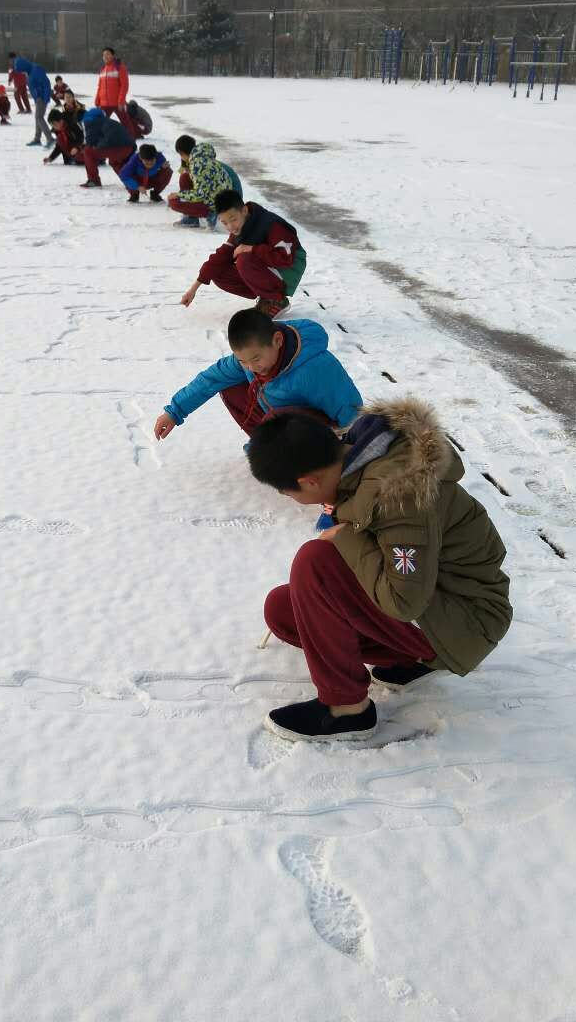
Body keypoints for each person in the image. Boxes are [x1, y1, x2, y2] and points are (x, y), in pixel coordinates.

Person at [245, 404, 512, 742]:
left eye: (287, 493)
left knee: (315, 562)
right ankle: (412, 659)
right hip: (438, 599)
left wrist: (346, 537)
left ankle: (346, 709)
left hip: (468, 621)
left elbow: (404, 602)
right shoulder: (360, 466)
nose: (289, 498)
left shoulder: (400, 496)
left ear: (309, 481)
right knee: (283, 609)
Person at [154, 309, 362, 443]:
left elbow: (351, 411)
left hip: (321, 435)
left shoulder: (315, 367)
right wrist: (174, 411)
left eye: (256, 359)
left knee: (276, 418)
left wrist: (351, 455)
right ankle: (268, 450)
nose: (251, 367)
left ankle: (292, 460)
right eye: (243, 361)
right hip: (281, 424)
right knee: (229, 385)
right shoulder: (251, 360)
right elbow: (211, 378)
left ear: (278, 340)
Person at [179, 190, 306, 317]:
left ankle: (277, 301)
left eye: (233, 219)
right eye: (224, 223)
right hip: (272, 269)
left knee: (244, 260)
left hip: (290, 269)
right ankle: (266, 297)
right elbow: (220, 258)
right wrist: (193, 289)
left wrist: (252, 249)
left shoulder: (272, 224)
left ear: (244, 211)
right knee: (218, 271)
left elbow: (285, 258)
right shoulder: (241, 228)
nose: (230, 227)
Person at [168, 137, 242, 229]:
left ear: (181, 153)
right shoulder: (205, 157)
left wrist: (178, 195)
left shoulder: (197, 165)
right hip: (228, 196)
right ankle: (193, 217)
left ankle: (211, 213)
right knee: (185, 177)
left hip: (225, 202)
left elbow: (200, 194)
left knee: (174, 202)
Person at [80, 107, 136, 188]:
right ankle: (131, 181)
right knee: (114, 161)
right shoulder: (109, 121)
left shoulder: (90, 121)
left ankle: (94, 180)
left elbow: (90, 141)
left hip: (116, 148)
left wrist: (84, 148)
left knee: (87, 151)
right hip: (129, 147)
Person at [12, 56, 54, 147]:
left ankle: (50, 138)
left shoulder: (36, 70)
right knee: (37, 117)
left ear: (24, 66)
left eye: (21, 70)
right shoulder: (29, 71)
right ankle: (37, 139)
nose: (21, 72)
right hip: (38, 98)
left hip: (42, 97)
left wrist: (45, 98)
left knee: (39, 118)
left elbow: (46, 83)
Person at [94, 47, 131, 128]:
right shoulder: (103, 69)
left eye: (107, 54)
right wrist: (97, 100)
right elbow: (100, 87)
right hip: (104, 104)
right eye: (103, 55)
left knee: (126, 124)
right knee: (100, 123)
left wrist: (121, 101)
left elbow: (124, 85)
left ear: (112, 55)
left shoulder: (119, 67)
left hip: (117, 103)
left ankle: (131, 135)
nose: (105, 57)